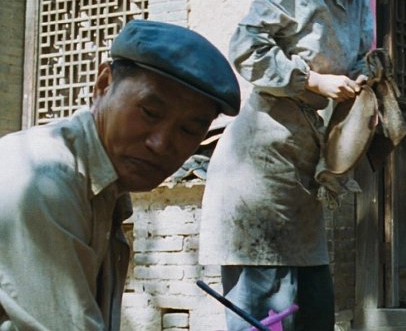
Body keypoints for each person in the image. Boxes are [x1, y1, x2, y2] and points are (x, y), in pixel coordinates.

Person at [198, 0, 384, 331]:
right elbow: (245, 48)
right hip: (258, 166)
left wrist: (364, 76)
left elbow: (357, 59)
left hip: (307, 168)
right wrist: (312, 81)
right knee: (265, 311)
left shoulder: (358, 0)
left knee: (313, 309)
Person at [0, 20, 240, 331]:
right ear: (103, 85)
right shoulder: (45, 180)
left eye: (189, 129)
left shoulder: (105, 186)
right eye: (149, 112)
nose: (160, 143)